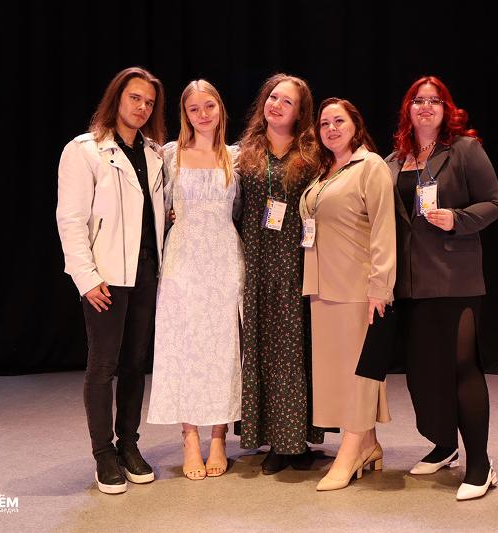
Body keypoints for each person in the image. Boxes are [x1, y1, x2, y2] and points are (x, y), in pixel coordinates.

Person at [385, 75, 498, 500]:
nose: (426, 106)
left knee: (461, 367)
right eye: (418, 100)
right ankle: (444, 445)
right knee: (423, 374)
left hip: (455, 277)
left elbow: (494, 202)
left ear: (446, 109)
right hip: (409, 283)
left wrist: (458, 219)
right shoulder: (394, 160)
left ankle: (481, 464)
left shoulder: (465, 150)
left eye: (434, 100)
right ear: (408, 109)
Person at [56, 66, 167, 494]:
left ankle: (129, 445)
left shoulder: (154, 154)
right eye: (135, 98)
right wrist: (86, 278)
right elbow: (71, 220)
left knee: (136, 364)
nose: (142, 107)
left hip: (146, 273)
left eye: (149, 102)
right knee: (103, 366)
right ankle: (104, 453)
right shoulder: (84, 150)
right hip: (105, 278)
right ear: (117, 98)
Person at [146, 80, 244, 481]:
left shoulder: (235, 157)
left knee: (223, 347)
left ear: (220, 108)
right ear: (184, 114)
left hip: (223, 258)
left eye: (209, 106)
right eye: (194, 109)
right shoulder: (169, 155)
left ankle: (219, 437)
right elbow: (155, 206)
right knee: (184, 347)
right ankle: (189, 437)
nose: (203, 115)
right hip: (183, 261)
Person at [299, 98, 396, 491]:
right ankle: (369, 444)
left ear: (356, 124)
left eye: (339, 121)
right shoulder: (325, 172)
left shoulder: (370, 166)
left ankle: (351, 450)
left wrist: (380, 288)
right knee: (340, 374)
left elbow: (384, 229)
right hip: (323, 288)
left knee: (359, 373)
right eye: (324, 123)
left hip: (358, 287)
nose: (331, 129)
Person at [235, 73, 324, 474]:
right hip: (256, 263)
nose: (276, 105)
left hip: (295, 262)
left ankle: (295, 440)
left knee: (293, 349)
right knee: (261, 348)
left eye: (287, 101)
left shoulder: (313, 155)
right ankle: (273, 438)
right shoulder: (244, 153)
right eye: (273, 97)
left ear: (300, 113)